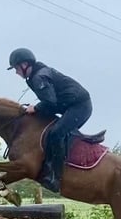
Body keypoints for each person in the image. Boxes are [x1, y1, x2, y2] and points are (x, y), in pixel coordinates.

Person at [7, 47, 93, 192]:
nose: (16, 72)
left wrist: (36, 108)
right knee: (52, 131)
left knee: (56, 133)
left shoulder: (39, 77)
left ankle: (56, 177)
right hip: (69, 106)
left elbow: (50, 103)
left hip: (80, 107)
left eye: (16, 68)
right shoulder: (36, 75)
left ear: (25, 64)